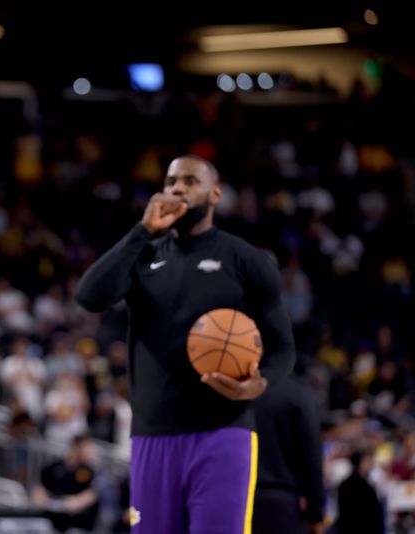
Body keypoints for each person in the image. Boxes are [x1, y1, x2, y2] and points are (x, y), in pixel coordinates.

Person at [75, 155, 295, 533]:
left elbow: (283, 347)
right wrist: (142, 231)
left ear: (215, 194)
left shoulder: (245, 260)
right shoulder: (143, 255)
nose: (177, 188)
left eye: (190, 181)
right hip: (152, 436)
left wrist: (260, 384)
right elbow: (89, 296)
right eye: (171, 180)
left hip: (223, 434)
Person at [252, 355, 325, 534]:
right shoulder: (299, 394)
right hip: (286, 505)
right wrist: (316, 514)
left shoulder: (233, 394)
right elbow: (312, 458)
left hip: (239, 501)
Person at [31, 432, 100, 532]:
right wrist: (41, 499)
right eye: (86, 447)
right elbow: (40, 487)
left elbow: (92, 494)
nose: (89, 451)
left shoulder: (88, 471)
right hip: (52, 517)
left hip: (77, 522)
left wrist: (77, 502)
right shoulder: (55, 467)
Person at [335, 448, 384, 534]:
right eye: (367, 461)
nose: (371, 464)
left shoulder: (368, 484)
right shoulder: (361, 487)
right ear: (359, 463)